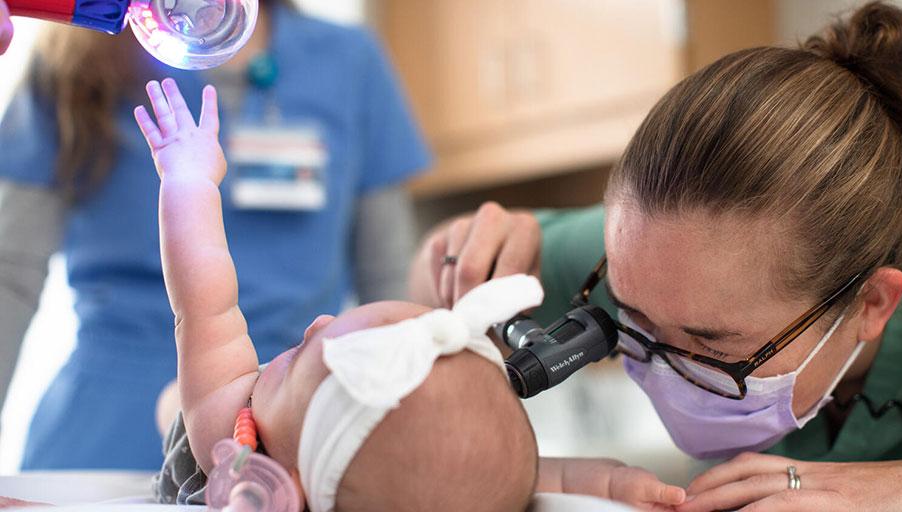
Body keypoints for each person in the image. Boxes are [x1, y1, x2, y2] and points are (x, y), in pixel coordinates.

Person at [410, 2, 902, 510]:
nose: (668, 377)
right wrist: (460, 258)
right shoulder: (663, 254)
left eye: (715, 349)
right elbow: (426, 289)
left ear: (871, 303)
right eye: (635, 321)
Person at [136, 78, 686, 512]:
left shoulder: (232, 438)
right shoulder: (420, 484)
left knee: (175, 404)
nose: (315, 323)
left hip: (193, 429)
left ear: (287, 485)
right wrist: (616, 485)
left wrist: (190, 184)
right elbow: (549, 477)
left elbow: (204, 304)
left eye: (301, 355)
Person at [0, 0, 429, 470]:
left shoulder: (349, 61)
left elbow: (389, 293)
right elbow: (8, 277)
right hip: (100, 435)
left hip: (279, 434)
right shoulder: (69, 61)